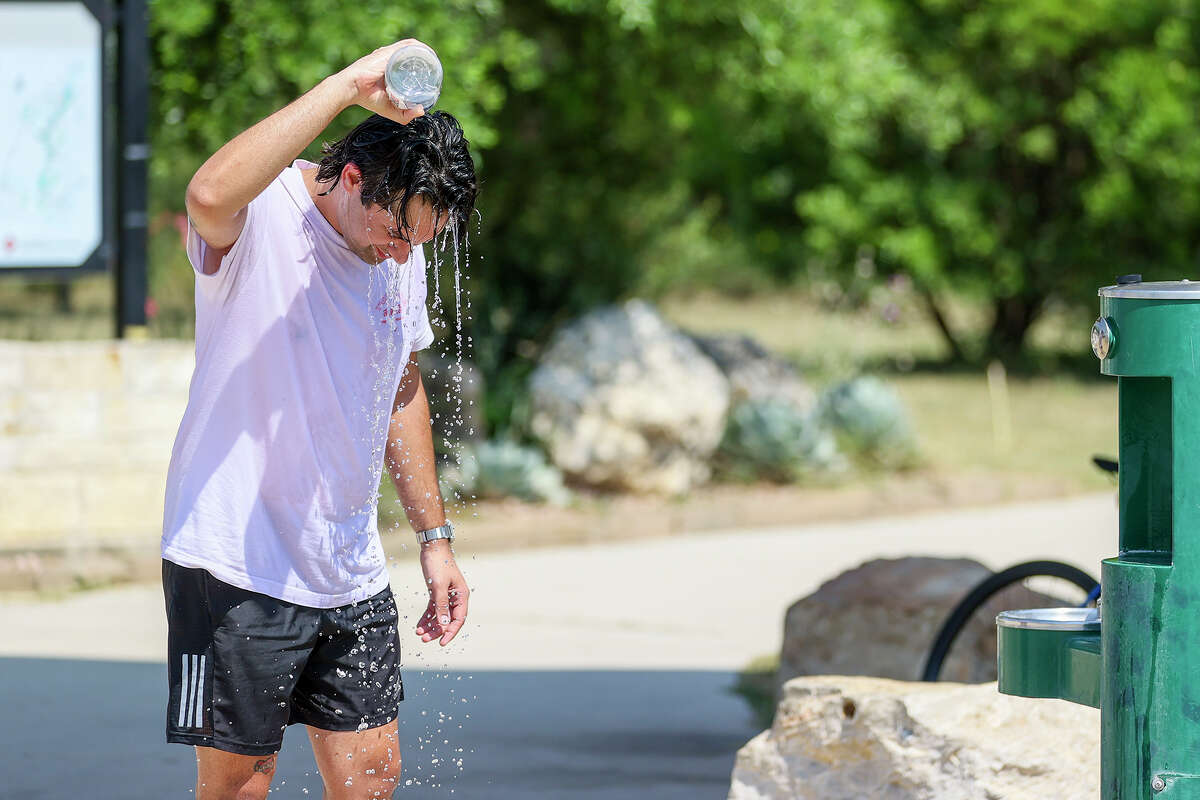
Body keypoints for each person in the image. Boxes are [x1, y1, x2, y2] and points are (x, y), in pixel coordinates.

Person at [159, 39, 476, 800]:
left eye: (421, 242)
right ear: (353, 178)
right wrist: (343, 87)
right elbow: (206, 196)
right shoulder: (265, 218)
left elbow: (401, 387)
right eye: (398, 233)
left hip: (347, 563)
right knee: (242, 782)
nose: (404, 257)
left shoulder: (403, 246)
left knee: (373, 776)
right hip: (237, 560)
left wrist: (435, 541)